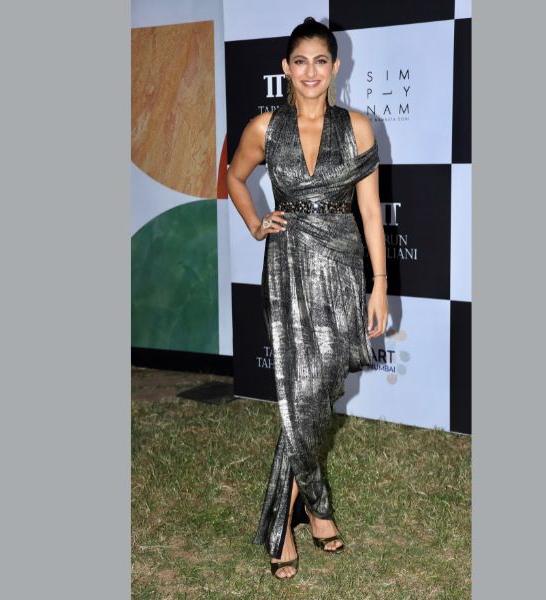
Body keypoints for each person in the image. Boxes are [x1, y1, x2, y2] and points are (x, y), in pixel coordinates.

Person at [227, 16, 389, 580]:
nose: (311, 71)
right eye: (300, 62)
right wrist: (255, 223)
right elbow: (234, 176)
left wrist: (379, 284)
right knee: (302, 392)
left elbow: (371, 212)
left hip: (342, 263)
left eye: (321, 61)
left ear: (335, 66)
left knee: (318, 392)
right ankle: (297, 518)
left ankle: (313, 505)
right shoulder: (264, 128)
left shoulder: (358, 127)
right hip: (289, 263)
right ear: (286, 68)